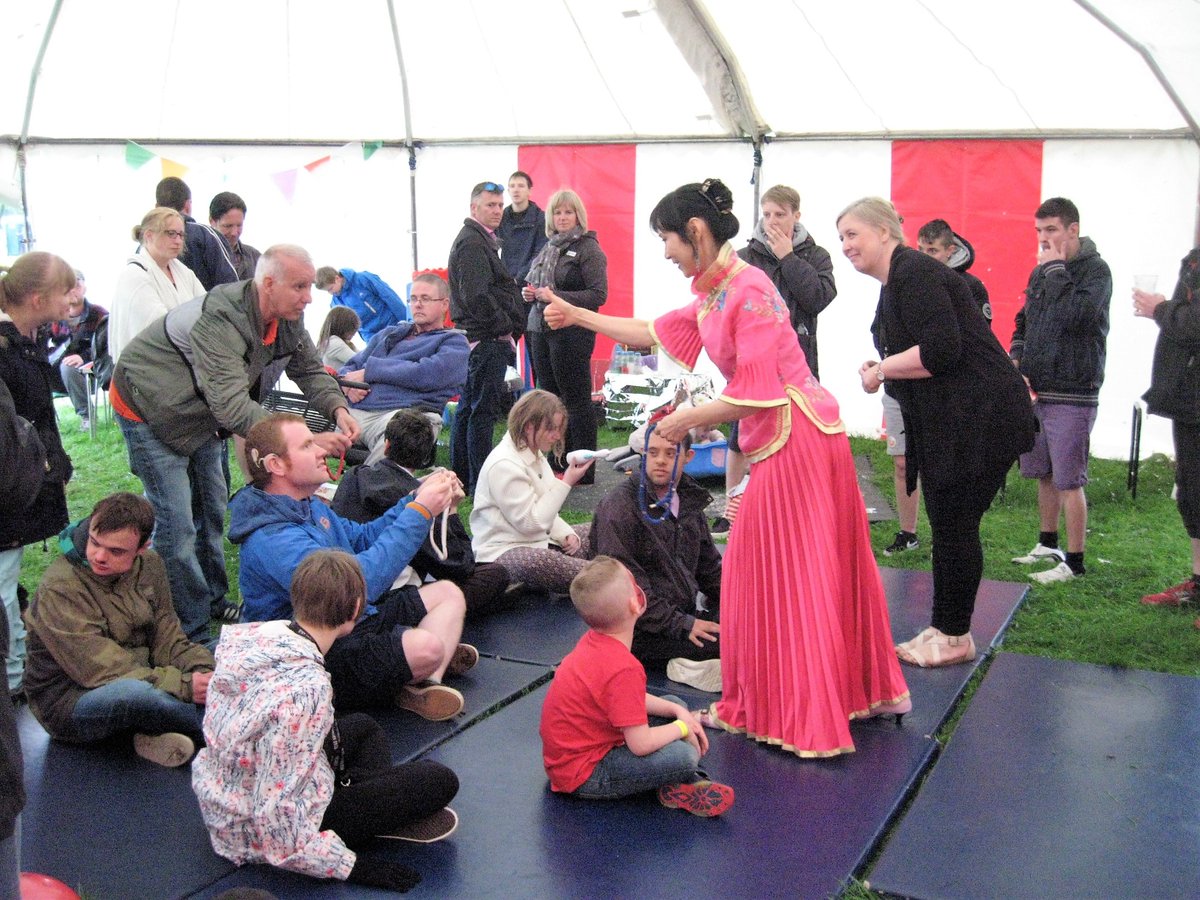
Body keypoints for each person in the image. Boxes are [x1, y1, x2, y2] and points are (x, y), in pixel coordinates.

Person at [545, 180, 910, 757]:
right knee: (778, 571)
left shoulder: (749, 289)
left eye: (667, 238)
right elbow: (654, 332)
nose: (665, 252)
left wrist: (679, 420)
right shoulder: (717, 293)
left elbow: (757, 392)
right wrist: (579, 315)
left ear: (694, 232)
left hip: (799, 440)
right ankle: (815, 697)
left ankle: (802, 712)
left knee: (779, 574)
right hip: (786, 440)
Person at [111, 244, 359, 641]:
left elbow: (309, 369)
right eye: (299, 286)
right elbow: (232, 407)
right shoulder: (220, 319)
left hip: (201, 412)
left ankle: (212, 600)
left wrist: (337, 409)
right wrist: (306, 439)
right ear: (268, 283)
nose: (309, 297)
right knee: (177, 527)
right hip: (148, 405)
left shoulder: (287, 316)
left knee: (211, 510)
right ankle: (190, 631)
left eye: (310, 286)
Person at [840, 197, 1035, 668]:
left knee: (955, 523)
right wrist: (882, 365)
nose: (845, 246)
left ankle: (954, 636)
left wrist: (883, 369)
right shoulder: (897, 281)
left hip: (984, 416)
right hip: (962, 417)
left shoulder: (915, 273)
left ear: (885, 232)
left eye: (852, 234)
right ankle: (946, 627)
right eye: (841, 237)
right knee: (949, 521)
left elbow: (941, 350)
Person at [193, 549, 460, 892]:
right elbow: (276, 814)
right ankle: (365, 826)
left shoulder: (253, 639)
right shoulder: (307, 691)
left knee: (363, 726)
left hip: (230, 792)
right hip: (256, 828)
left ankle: (369, 809)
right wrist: (351, 866)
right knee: (439, 780)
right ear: (354, 611)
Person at [229, 414, 474, 721]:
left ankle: (423, 684)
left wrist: (411, 499)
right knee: (427, 647)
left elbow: (361, 537)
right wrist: (420, 511)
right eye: (308, 445)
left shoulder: (308, 505)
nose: (321, 450)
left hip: (354, 621)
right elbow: (356, 589)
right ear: (277, 465)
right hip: (317, 653)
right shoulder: (273, 538)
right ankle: (416, 671)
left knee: (449, 594)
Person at [22, 493, 214, 767]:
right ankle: (224, 731)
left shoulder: (150, 565)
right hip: (73, 699)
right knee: (135, 696)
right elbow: (101, 669)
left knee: (222, 649)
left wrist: (204, 671)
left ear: (142, 548)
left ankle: (148, 735)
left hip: (142, 671)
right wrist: (184, 685)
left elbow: (167, 634)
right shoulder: (61, 587)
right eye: (95, 542)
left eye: (116, 551)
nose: (99, 556)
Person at [539, 556, 734, 816]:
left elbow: (625, 699)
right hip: (585, 775)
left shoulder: (593, 642)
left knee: (675, 704)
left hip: (576, 754)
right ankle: (688, 778)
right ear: (636, 603)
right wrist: (684, 726)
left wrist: (678, 714)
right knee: (682, 757)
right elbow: (640, 744)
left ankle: (676, 782)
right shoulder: (623, 667)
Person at [1009, 197, 1112, 584]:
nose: (1044, 239)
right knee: (1044, 473)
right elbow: (1024, 321)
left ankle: (1076, 561)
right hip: (1039, 389)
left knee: (1070, 479)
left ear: (1073, 229)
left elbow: (1078, 316)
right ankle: (1048, 543)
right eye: (1039, 231)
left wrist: (1054, 270)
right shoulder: (1042, 273)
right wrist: (1017, 357)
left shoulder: (1096, 271)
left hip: (1074, 390)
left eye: (1051, 230)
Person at [332, 409, 513, 619]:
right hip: (384, 595)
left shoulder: (353, 477)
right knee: (494, 575)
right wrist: (451, 510)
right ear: (427, 456)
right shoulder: (420, 500)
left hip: (345, 582)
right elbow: (458, 566)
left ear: (386, 445)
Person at [589, 410, 722, 692]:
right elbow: (627, 594)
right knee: (738, 644)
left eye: (671, 454)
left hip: (679, 614)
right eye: (653, 453)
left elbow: (711, 569)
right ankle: (686, 666)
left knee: (754, 627)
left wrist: (739, 606)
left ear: (688, 458)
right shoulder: (619, 508)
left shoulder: (686, 499)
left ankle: (694, 663)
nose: (660, 461)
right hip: (638, 630)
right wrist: (684, 625)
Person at [0, 252, 75, 695]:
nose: (74, 298)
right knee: (4, 586)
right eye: (65, 290)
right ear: (36, 297)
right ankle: (10, 681)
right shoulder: (5, 351)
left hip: (25, 482)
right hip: (8, 489)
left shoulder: (24, 341)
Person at [470, 390, 594, 595]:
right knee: (539, 562)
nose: (557, 436)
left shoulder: (533, 453)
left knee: (598, 527)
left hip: (537, 540)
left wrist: (566, 534)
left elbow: (545, 504)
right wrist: (567, 482)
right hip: (502, 551)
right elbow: (532, 523)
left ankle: (605, 569)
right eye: (551, 429)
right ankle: (605, 577)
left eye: (559, 429)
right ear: (528, 426)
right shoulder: (504, 465)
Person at [339, 273, 468, 464]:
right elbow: (350, 366)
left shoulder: (453, 342)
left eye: (425, 299)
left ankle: (364, 488)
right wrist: (347, 386)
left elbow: (428, 373)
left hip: (400, 416)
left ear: (444, 304)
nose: (417, 304)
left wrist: (370, 371)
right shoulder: (390, 334)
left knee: (401, 434)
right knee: (298, 439)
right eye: (413, 299)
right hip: (356, 412)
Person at [523, 189, 608, 480]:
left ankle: (583, 468)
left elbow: (598, 294)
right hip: (540, 328)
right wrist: (531, 294)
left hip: (572, 333)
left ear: (578, 216)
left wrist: (554, 294)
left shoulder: (588, 249)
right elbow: (539, 287)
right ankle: (556, 460)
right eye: (557, 212)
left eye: (568, 212)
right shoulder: (548, 248)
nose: (562, 217)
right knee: (548, 398)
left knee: (576, 399)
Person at [448, 181, 527, 493]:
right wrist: (504, 325)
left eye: (499, 205)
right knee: (480, 413)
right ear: (474, 208)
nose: (497, 211)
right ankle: (479, 480)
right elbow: (476, 296)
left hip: (483, 339)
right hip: (486, 340)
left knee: (470, 409)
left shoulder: (481, 241)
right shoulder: (472, 243)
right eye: (490, 205)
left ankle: (465, 477)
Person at [1137, 246, 1200, 626]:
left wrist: (1161, 308)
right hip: (1188, 397)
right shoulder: (1193, 259)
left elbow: (1194, 324)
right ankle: (1198, 583)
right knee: (1191, 495)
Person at [737, 184, 836, 379]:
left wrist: (788, 258)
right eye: (767, 215)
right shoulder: (743, 258)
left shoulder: (817, 256)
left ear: (796, 216)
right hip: (753, 360)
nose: (772, 222)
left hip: (798, 360)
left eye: (780, 215)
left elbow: (817, 299)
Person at [109, 207, 206, 362]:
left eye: (181, 234)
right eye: (171, 234)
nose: (178, 240)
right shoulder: (134, 276)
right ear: (149, 235)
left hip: (183, 363)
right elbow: (159, 328)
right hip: (148, 369)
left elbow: (206, 309)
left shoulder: (184, 273)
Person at [44, 269, 107, 429]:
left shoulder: (99, 314)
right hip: (56, 373)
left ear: (84, 287)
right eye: (67, 286)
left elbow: (107, 347)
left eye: (76, 284)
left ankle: (87, 416)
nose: (72, 290)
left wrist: (84, 358)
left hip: (94, 371)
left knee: (68, 367)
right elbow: (42, 346)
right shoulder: (53, 317)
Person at [155, 176, 239, 291]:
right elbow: (230, 287)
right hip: (205, 306)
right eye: (171, 234)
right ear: (188, 205)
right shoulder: (206, 235)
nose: (177, 240)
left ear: (157, 207)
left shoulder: (147, 242)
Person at [916, 219, 992, 319]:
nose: (924, 256)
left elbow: (981, 331)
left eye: (932, 251)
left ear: (949, 251)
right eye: (920, 249)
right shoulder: (910, 279)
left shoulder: (971, 286)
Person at [315, 266, 409, 342]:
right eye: (327, 291)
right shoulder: (335, 304)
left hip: (393, 325)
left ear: (337, 278)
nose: (330, 293)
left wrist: (407, 323)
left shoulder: (363, 279)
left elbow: (390, 297)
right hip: (372, 338)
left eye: (330, 289)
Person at [496, 170, 548, 285]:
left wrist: (518, 279)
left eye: (521, 186)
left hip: (531, 284)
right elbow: (492, 247)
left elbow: (540, 254)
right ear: (508, 191)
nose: (516, 190)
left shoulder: (541, 219)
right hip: (505, 282)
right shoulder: (500, 217)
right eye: (512, 186)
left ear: (530, 191)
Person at [208, 191, 262, 280]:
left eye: (239, 225)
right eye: (228, 226)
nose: (234, 232)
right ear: (212, 221)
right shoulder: (200, 258)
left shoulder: (255, 257)